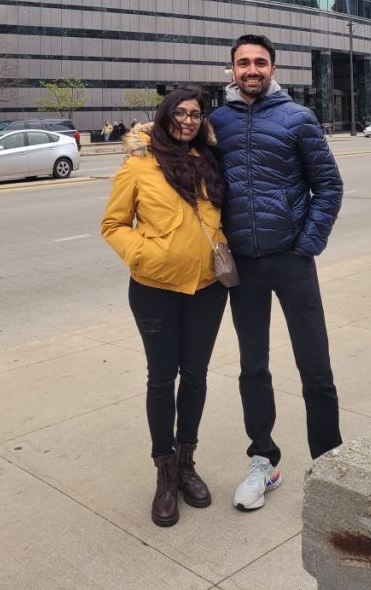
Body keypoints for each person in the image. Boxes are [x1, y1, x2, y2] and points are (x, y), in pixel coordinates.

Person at [210, 34, 343, 511]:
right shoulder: (215, 123)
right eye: (243, 62)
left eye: (259, 62)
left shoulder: (298, 118)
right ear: (231, 70)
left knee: (316, 366)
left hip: (291, 259)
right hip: (243, 264)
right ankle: (263, 460)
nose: (251, 69)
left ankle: (330, 463)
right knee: (253, 366)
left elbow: (328, 186)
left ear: (272, 68)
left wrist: (307, 244)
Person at [101, 87, 228, 528]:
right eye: (180, 113)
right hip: (154, 287)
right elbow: (113, 224)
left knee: (195, 377)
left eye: (195, 114)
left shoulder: (211, 159)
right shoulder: (139, 164)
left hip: (208, 288)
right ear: (164, 115)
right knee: (161, 379)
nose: (188, 121)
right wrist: (143, 255)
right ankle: (165, 472)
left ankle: (188, 461)